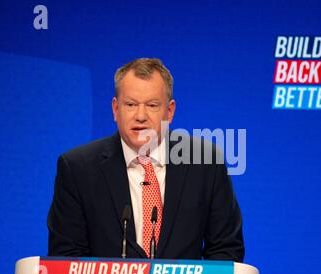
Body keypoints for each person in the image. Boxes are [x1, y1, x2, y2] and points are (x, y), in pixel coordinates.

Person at [47, 58, 244, 261]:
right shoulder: (78, 169)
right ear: (116, 109)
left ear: (170, 111)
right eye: (131, 104)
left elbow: (226, 251)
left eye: (152, 105)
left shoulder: (205, 163)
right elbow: (66, 259)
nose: (140, 116)